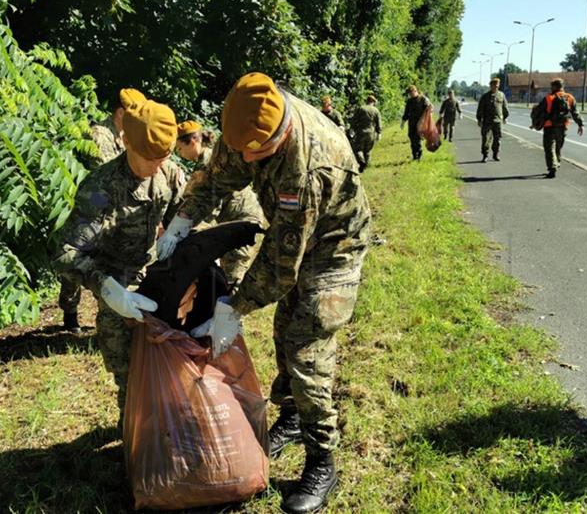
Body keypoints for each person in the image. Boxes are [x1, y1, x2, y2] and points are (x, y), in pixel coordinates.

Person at [159, 73, 371, 514]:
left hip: (335, 246)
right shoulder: (245, 124)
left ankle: (321, 459)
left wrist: (231, 310)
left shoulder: (310, 166)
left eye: (258, 151)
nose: (248, 158)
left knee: (306, 345)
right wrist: (182, 219)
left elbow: (280, 265)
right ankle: (293, 417)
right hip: (294, 235)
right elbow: (216, 176)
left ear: (283, 132)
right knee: (283, 329)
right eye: (243, 149)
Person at [53, 99, 186, 427]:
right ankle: (136, 437)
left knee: (174, 363)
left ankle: (167, 430)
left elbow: (182, 217)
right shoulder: (101, 190)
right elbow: (67, 251)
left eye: (164, 157)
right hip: (114, 280)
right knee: (129, 373)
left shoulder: (169, 174)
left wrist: (178, 236)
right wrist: (106, 288)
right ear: (126, 141)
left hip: (154, 274)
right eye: (149, 159)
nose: (157, 167)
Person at [58, 88, 147, 333]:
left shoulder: (123, 135)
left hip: (114, 206)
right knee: (78, 253)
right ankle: (70, 311)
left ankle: (109, 311)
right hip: (94, 203)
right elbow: (108, 172)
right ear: (120, 113)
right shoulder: (100, 135)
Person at [175, 120, 265, 290]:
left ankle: (231, 313)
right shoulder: (206, 160)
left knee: (233, 277)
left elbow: (209, 207)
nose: (180, 154)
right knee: (226, 273)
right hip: (233, 220)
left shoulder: (209, 163)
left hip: (242, 221)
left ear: (193, 142)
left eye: (180, 148)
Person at [535, 78, 584, 178]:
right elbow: (575, 112)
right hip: (563, 126)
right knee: (558, 147)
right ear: (562, 87)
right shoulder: (570, 97)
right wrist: (580, 124)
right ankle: (556, 163)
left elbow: (539, 111)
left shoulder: (549, 98)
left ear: (554, 87)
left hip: (549, 126)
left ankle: (553, 167)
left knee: (549, 148)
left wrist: (536, 123)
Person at [476, 78, 509, 162]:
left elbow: (505, 107)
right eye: (494, 86)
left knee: (497, 139)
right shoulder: (485, 96)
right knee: (486, 139)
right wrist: (479, 119)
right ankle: (485, 155)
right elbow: (480, 108)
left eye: (497, 86)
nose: (496, 87)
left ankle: (495, 154)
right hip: (487, 121)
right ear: (491, 86)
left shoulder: (501, 95)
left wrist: (505, 117)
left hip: (498, 121)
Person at [349, 95, 382, 172]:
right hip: (371, 133)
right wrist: (379, 132)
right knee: (368, 151)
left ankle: (361, 161)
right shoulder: (376, 110)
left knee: (358, 149)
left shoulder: (360, 108)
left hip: (360, 132)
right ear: (373, 102)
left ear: (367, 101)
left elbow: (354, 120)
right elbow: (378, 122)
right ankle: (365, 166)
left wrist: (352, 129)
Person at [400, 85, 431, 161]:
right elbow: (406, 113)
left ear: (415, 91)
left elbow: (429, 110)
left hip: (420, 124)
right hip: (411, 124)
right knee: (411, 138)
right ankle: (414, 155)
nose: (410, 95)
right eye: (409, 94)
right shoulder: (409, 101)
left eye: (411, 93)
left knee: (417, 140)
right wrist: (403, 121)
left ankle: (419, 155)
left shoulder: (423, 99)